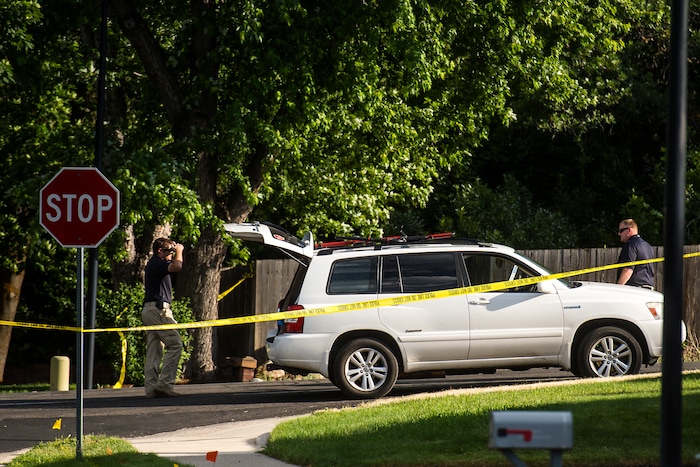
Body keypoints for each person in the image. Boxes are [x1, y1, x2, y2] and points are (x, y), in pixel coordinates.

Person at [142, 237, 185, 398]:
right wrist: (179, 251)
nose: (171, 254)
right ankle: (165, 384)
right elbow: (177, 266)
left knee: (154, 349)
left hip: (150, 310)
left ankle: (151, 388)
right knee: (175, 345)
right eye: (169, 251)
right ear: (160, 251)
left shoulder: (156, 264)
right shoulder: (157, 263)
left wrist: (173, 250)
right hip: (158, 311)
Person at [616, 218, 655, 289]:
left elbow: (628, 269)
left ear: (629, 231)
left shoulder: (630, 245)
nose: (619, 234)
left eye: (621, 231)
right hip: (649, 288)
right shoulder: (648, 246)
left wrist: (618, 288)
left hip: (634, 289)